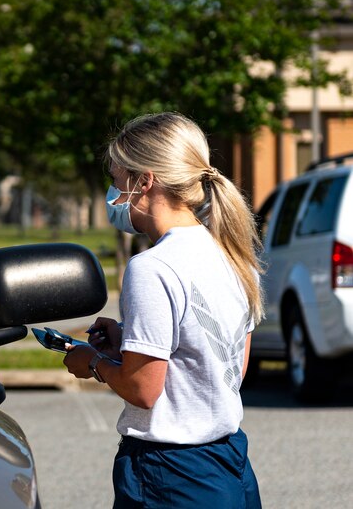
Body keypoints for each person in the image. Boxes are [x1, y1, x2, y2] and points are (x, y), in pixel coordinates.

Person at [63, 112, 263, 508]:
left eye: (118, 181)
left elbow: (143, 390)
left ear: (145, 180)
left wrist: (93, 363)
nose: (114, 193)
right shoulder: (234, 254)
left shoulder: (151, 267)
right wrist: (131, 344)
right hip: (229, 464)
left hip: (170, 474)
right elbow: (227, 369)